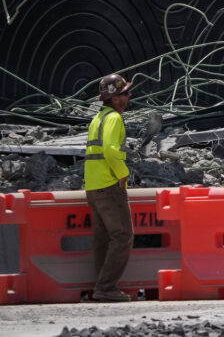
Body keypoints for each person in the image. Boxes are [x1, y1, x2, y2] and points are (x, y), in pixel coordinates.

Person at [84, 73, 133, 303]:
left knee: (103, 239)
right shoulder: (113, 118)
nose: (128, 96)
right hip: (108, 183)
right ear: (114, 98)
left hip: (93, 186)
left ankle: (102, 286)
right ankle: (106, 287)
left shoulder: (98, 118)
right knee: (123, 236)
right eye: (124, 93)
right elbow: (111, 150)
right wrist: (123, 173)